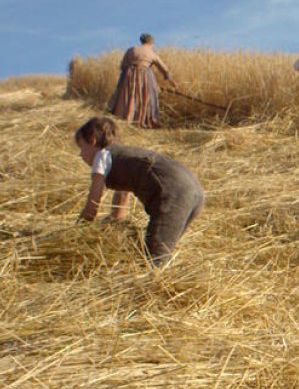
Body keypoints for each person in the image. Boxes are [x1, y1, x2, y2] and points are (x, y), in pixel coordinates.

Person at [75, 116, 205, 266]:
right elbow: (122, 196)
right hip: (195, 192)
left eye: (81, 147)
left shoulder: (101, 156)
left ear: (92, 140)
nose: (80, 155)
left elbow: (93, 203)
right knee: (162, 249)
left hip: (172, 193)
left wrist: (78, 232)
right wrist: (115, 226)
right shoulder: (123, 156)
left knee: (153, 260)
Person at [108, 33, 180, 128]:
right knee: (147, 96)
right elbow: (164, 70)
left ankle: (124, 118)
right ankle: (142, 120)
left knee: (128, 95)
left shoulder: (132, 49)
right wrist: (173, 83)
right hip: (145, 76)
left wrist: (129, 73)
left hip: (128, 75)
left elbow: (122, 66)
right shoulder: (152, 53)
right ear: (151, 42)